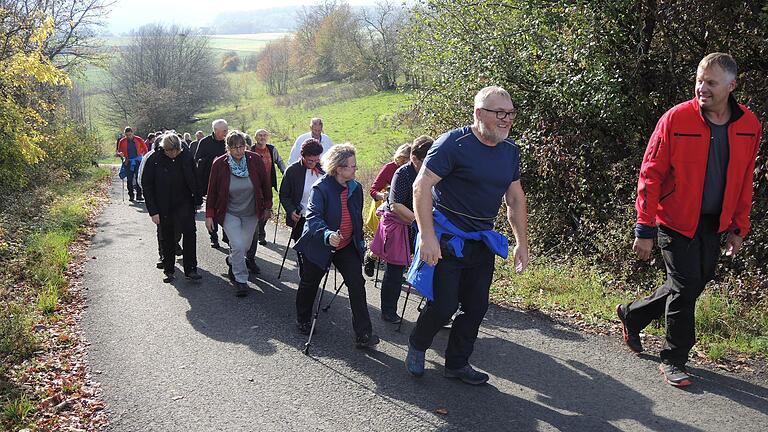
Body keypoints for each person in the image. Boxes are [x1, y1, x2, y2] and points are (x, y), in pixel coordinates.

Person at [617, 53, 762, 388]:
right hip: (674, 220)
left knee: (693, 283)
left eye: (711, 82)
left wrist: (739, 227)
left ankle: (632, 314)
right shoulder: (676, 119)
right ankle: (674, 359)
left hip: (715, 222)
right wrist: (645, 227)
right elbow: (649, 175)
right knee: (684, 288)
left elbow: (743, 180)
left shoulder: (749, 126)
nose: (702, 88)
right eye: (700, 80)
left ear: (731, 86)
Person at [405, 86, 529, 385]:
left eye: (510, 113)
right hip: (448, 239)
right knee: (445, 304)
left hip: (481, 240)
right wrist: (427, 236)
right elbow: (421, 187)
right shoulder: (453, 143)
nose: (506, 119)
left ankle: (457, 364)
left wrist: (522, 243)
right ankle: (418, 345)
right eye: (499, 113)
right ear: (478, 113)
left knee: (476, 307)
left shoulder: (509, 151)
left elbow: (515, 198)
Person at [293, 144, 380, 349]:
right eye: (352, 166)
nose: (355, 170)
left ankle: (363, 334)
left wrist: (359, 240)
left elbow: (356, 217)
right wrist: (327, 234)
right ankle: (303, 318)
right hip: (321, 244)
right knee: (310, 282)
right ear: (339, 168)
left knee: (356, 284)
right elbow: (312, 218)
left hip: (346, 245)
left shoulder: (356, 188)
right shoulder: (321, 188)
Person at [372, 136, 433, 323]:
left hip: (423, 225)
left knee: (432, 265)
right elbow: (396, 205)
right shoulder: (402, 174)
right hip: (400, 225)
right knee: (396, 271)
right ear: (414, 158)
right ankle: (388, 310)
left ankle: (433, 310)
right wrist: (420, 221)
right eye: (426, 160)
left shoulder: (434, 173)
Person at [205, 131, 272, 297]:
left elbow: (265, 184)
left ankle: (232, 260)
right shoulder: (219, 164)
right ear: (227, 148)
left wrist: (268, 207)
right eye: (234, 147)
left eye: (242, 146)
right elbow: (212, 191)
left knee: (245, 246)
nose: (239, 150)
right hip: (229, 212)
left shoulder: (255, 160)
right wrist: (209, 214)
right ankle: (241, 280)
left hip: (251, 212)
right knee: (238, 245)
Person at [141, 133, 203, 283]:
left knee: (190, 234)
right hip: (164, 205)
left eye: (176, 151)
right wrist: (153, 211)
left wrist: (198, 199)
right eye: (170, 151)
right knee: (167, 237)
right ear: (164, 149)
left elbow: (195, 177)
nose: (173, 154)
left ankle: (191, 269)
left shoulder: (186, 156)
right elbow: (147, 186)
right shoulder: (154, 160)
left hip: (185, 202)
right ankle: (169, 269)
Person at [278, 138, 324, 278]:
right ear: (302, 156)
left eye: (316, 160)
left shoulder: (324, 169)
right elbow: (284, 195)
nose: (313, 163)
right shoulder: (292, 171)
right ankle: (305, 278)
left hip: (320, 219)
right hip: (300, 218)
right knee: (303, 253)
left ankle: (310, 278)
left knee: (316, 253)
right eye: (310, 160)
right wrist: (291, 210)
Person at [364, 143, 412, 276]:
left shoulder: (415, 170)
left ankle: (395, 270)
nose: (408, 163)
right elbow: (373, 190)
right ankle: (371, 256)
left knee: (398, 242)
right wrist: (383, 195)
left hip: (404, 212)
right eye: (405, 160)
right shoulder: (390, 168)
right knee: (386, 241)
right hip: (384, 209)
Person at [248, 128, 286, 252]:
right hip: (254, 186)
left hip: (268, 185)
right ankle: (259, 234)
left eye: (264, 135)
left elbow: (279, 161)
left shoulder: (271, 149)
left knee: (267, 208)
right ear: (255, 138)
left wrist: (285, 173)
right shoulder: (251, 150)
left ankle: (261, 228)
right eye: (259, 135)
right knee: (257, 208)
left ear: (267, 137)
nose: (262, 137)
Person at [195, 119, 229, 248]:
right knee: (212, 210)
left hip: (227, 182)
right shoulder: (205, 142)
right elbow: (197, 160)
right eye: (224, 131)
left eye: (227, 129)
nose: (226, 132)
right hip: (210, 182)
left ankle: (228, 236)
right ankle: (213, 236)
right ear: (215, 131)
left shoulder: (229, 141)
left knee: (227, 209)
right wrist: (212, 161)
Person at [115, 127, 148, 202]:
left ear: (132, 133)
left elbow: (145, 148)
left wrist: (144, 157)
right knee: (129, 179)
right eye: (127, 135)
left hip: (138, 161)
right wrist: (120, 154)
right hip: (128, 161)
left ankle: (139, 195)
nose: (128, 136)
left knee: (138, 178)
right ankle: (131, 195)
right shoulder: (122, 141)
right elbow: (119, 151)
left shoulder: (138, 139)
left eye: (130, 134)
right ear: (125, 134)